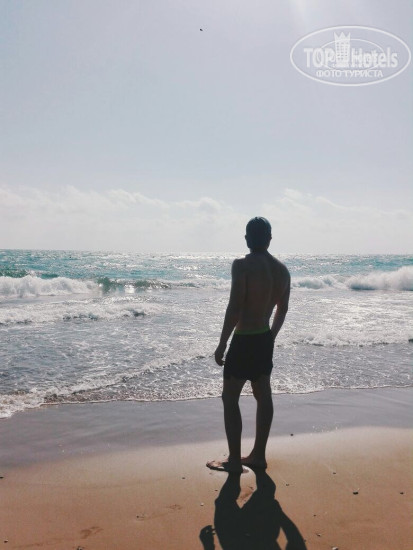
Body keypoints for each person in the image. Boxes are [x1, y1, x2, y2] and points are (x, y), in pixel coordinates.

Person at [207, 217, 290, 474]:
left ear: (247, 238)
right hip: (264, 337)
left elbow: (235, 307)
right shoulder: (282, 271)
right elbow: (283, 309)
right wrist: (271, 336)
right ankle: (258, 456)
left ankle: (234, 460)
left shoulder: (242, 265)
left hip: (244, 339)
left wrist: (222, 343)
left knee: (230, 397)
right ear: (270, 239)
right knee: (263, 395)